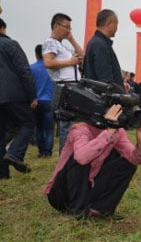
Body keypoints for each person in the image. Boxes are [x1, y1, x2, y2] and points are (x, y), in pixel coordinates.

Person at [44, 104, 141, 220]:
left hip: (87, 186)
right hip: (60, 195)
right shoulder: (81, 127)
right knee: (81, 156)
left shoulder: (118, 131)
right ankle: (78, 211)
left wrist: (140, 144)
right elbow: (82, 158)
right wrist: (108, 132)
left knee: (129, 164)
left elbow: (135, 159)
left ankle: (100, 209)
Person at [0, 18, 37, 178]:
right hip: (13, 95)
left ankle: (2, 174)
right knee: (28, 123)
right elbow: (24, 71)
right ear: (2, 29)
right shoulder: (10, 45)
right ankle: (15, 153)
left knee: (0, 134)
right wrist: (32, 96)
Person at [43, 13, 83, 154]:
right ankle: (64, 164)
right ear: (56, 26)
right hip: (65, 88)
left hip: (72, 87)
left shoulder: (62, 46)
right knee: (67, 126)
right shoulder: (50, 42)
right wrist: (69, 62)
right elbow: (47, 62)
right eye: (66, 27)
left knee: (73, 126)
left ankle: (69, 160)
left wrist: (71, 39)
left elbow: (82, 55)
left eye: (70, 28)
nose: (68, 31)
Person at [83, 9, 123, 88]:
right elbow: (105, 80)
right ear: (109, 23)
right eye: (116, 24)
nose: (117, 28)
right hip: (103, 97)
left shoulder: (96, 41)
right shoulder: (100, 45)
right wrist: (120, 92)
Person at [31, 45, 55, 158]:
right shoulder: (52, 68)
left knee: (38, 128)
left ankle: (41, 151)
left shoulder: (31, 68)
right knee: (49, 129)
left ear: (36, 56)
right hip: (50, 101)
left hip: (36, 102)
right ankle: (48, 153)